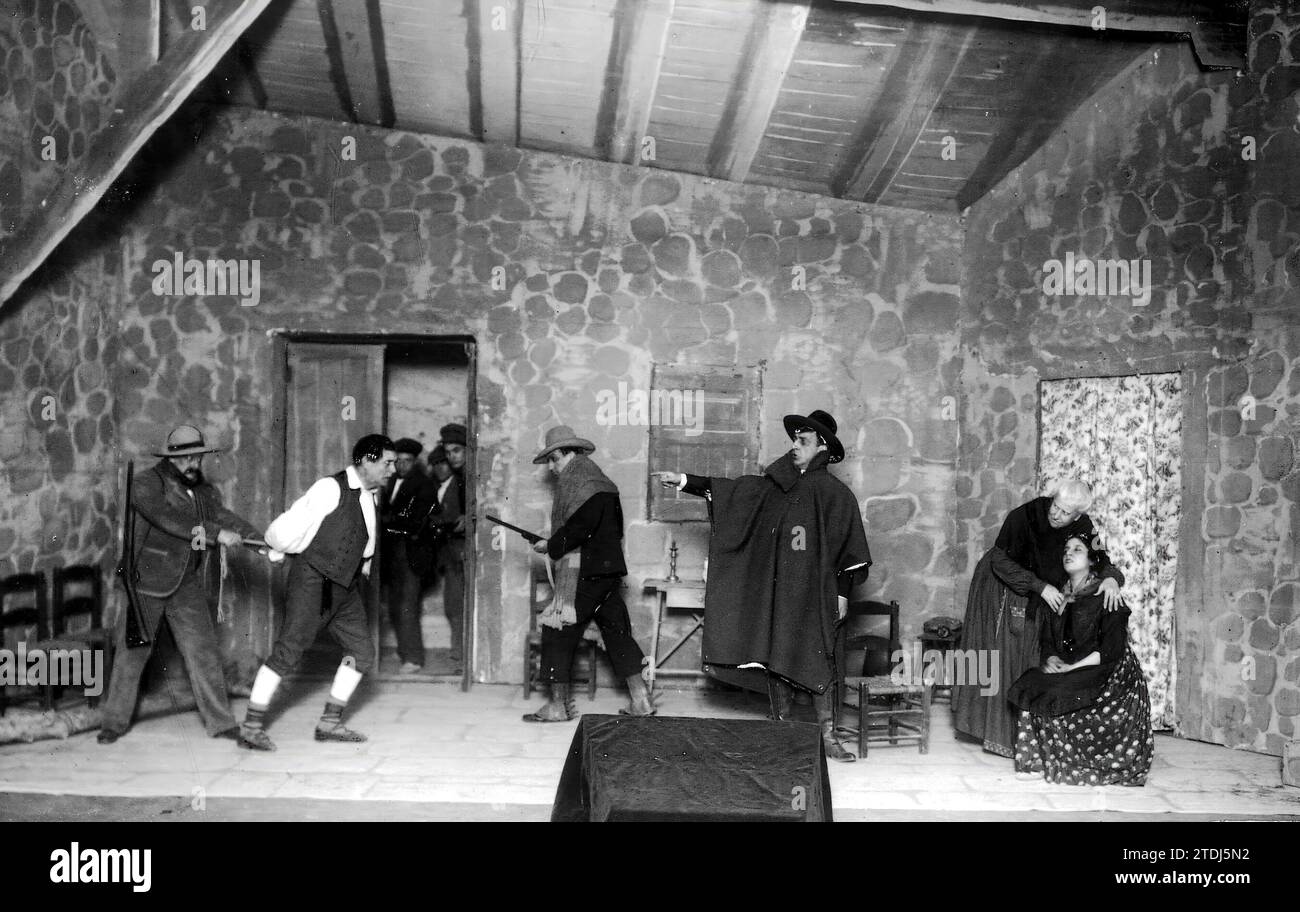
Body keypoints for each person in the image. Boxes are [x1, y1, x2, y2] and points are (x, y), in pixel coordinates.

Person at [654, 409, 871, 762]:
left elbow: (851, 548)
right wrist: (682, 479)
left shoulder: (837, 495)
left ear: (823, 448)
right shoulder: (775, 488)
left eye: (803, 441)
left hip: (818, 596)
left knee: (823, 657)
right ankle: (780, 728)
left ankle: (829, 735)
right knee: (777, 651)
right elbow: (732, 492)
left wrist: (843, 592)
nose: (795, 447)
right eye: (795, 440)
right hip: (781, 594)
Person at [98, 425, 263, 744]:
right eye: (187, 458)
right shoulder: (146, 484)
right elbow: (167, 519)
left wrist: (262, 542)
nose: (194, 465)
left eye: (198, 458)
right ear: (171, 457)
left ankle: (221, 722)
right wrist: (215, 535)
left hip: (184, 581)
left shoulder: (200, 489)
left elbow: (224, 517)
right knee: (132, 656)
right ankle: (113, 723)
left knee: (203, 653)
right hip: (144, 583)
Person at [236, 434, 396, 751]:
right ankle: (251, 726)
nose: (392, 469)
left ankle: (329, 723)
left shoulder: (371, 493)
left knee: (362, 652)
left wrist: (363, 562)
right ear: (366, 460)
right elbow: (284, 530)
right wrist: (278, 549)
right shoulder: (330, 488)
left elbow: (362, 536)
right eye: (387, 463)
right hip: (314, 583)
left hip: (345, 587)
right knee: (289, 651)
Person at [952, 480, 1124, 758]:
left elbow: (1102, 559)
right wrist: (1040, 587)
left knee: (1032, 652)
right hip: (1002, 583)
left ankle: (1027, 735)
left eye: (1065, 512)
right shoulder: (1024, 515)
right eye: (1055, 506)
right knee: (1006, 652)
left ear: (1077, 516)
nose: (1056, 515)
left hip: (1042, 589)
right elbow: (1000, 562)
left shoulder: (1085, 527)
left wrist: (1112, 580)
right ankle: (1002, 737)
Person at [521, 425, 654, 722]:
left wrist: (551, 545)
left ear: (562, 454)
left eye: (553, 461)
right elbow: (608, 530)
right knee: (616, 633)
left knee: (556, 629)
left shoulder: (578, 482)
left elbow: (578, 529)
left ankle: (557, 706)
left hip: (586, 573)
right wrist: (557, 543)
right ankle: (641, 700)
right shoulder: (602, 482)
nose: (553, 469)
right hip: (608, 571)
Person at [1007, 535, 1154, 785]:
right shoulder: (1059, 596)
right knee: (1030, 682)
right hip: (1075, 666)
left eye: (1078, 549)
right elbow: (1049, 640)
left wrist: (1072, 668)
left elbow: (1112, 650)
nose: (1069, 553)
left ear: (1091, 560)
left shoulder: (1106, 593)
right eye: (1066, 549)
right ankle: (1035, 759)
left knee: (1061, 688)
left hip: (1108, 669)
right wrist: (1051, 658)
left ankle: (1074, 762)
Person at [381, 438, 437, 674]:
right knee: (394, 604)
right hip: (391, 554)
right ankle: (404, 651)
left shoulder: (424, 485)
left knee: (408, 604)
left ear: (415, 462)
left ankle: (414, 657)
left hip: (411, 553)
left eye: (408, 461)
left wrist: (385, 522)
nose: (403, 465)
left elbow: (414, 522)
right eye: (399, 461)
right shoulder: (390, 480)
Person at [437, 423, 468, 671]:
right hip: (453, 554)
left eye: (457, 450)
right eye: (448, 452)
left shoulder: (472, 477)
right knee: (453, 605)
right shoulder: (457, 479)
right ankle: (459, 654)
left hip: (466, 554)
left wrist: (470, 519)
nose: (452, 456)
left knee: (461, 606)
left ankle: (464, 657)